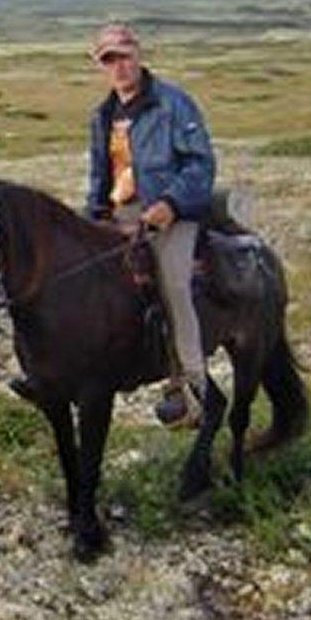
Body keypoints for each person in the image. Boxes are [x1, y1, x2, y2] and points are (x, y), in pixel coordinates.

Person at [83, 22, 216, 427]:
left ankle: (191, 386)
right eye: (110, 60)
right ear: (101, 66)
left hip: (170, 212)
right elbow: (99, 175)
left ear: (138, 54)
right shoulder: (102, 115)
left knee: (172, 283)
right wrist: (90, 215)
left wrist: (170, 203)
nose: (119, 66)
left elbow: (200, 163)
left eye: (124, 56)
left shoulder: (173, 103)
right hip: (118, 212)